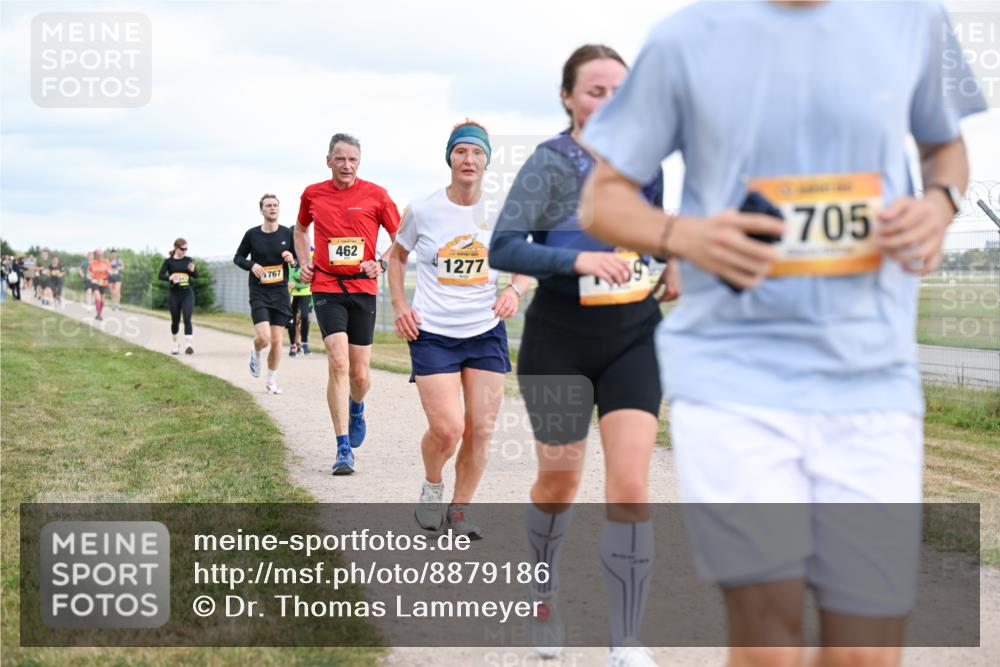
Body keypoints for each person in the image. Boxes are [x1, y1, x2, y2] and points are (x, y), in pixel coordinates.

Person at [579, 3, 987, 666]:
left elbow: (946, 146)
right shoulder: (686, 38)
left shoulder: (912, 18)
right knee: (768, 641)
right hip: (734, 376)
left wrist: (939, 204)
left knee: (865, 654)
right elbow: (602, 198)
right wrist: (684, 233)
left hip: (872, 377)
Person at [489, 44, 677, 666]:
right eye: (596, 91)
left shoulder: (646, 162)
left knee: (630, 485)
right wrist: (576, 259)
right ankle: (542, 593)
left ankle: (626, 639)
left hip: (634, 335)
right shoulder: (550, 162)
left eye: (621, 91)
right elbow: (504, 247)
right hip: (559, 342)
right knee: (560, 483)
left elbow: (652, 234)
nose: (611, 102)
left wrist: (676, 254)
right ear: (568, 97)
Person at [390, 121, 532, 539]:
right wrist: (400, 305)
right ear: (449, 158)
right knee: (448, 428)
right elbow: (397, 258)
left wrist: (514, 290)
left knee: (481, 428)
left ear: (487, 161)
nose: (469, 159)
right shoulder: (423, 210)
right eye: (460, 152)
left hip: (485, 332)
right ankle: (432, 486)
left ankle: (460, 510)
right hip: (432, 333)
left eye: (477, 152)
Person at [294, 133, 401, 475]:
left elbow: (402, 238)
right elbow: (300, 230)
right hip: (326, 285)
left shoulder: (376, 195)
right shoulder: (313, 194)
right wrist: (304, 262)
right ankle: (343, 448)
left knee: (359, 374)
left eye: (352, 159)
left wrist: (381, 263)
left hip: (363, 288)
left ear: (359, 162)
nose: (346, 165)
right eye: (340, 158)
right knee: (338, 362)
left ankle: (357, 406)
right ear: (329, 161)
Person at [234, 194, 298, 395]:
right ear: (261, 210)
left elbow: (297, 259)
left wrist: (292, 259)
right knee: (264, 337)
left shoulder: (287, 233)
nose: (272, 208)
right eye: (268, 205)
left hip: (280, 292)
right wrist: (252, 265)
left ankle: (271, 380)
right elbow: (238, 258)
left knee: (277, 340)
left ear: (279, 209)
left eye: (275, 205)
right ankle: (255, 351)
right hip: (259, 291)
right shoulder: (252, 234)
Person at [159, 238, 196, 354]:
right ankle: (175, 344)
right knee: (175, 320)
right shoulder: (168, 261)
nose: (185, 251)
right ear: (176, 248)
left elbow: (196, 276)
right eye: (182, 249)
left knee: (187, 318)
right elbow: (160, 275)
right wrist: (169, 277)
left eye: (186, 249)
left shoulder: (188, 260)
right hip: (174, 293)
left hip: (187, 292)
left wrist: (193, 270)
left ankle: (188, 345)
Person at [287, 252, 313, 357]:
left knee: (305, 317)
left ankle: (304, 342)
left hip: (305, 293)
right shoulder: (287, 257)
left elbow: (308, 277)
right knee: (292, 321)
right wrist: (287, 283)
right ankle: (293, 344)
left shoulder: (309, 256)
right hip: (291, 293)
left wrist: (296, 284)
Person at [87, 249, 112, 321]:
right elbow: (88, 273)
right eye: (98, 255)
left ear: (103, 255)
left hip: (104, 282)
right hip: (95, 282)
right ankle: (99, 314)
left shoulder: (106, 262)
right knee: (98, 298)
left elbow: (110, 272)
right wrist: (90, 278)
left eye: (101, 254)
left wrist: (109, 272)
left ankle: (99, 314)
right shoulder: (92, 263)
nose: (100, 256)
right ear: (96, 255)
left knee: (103, 301)